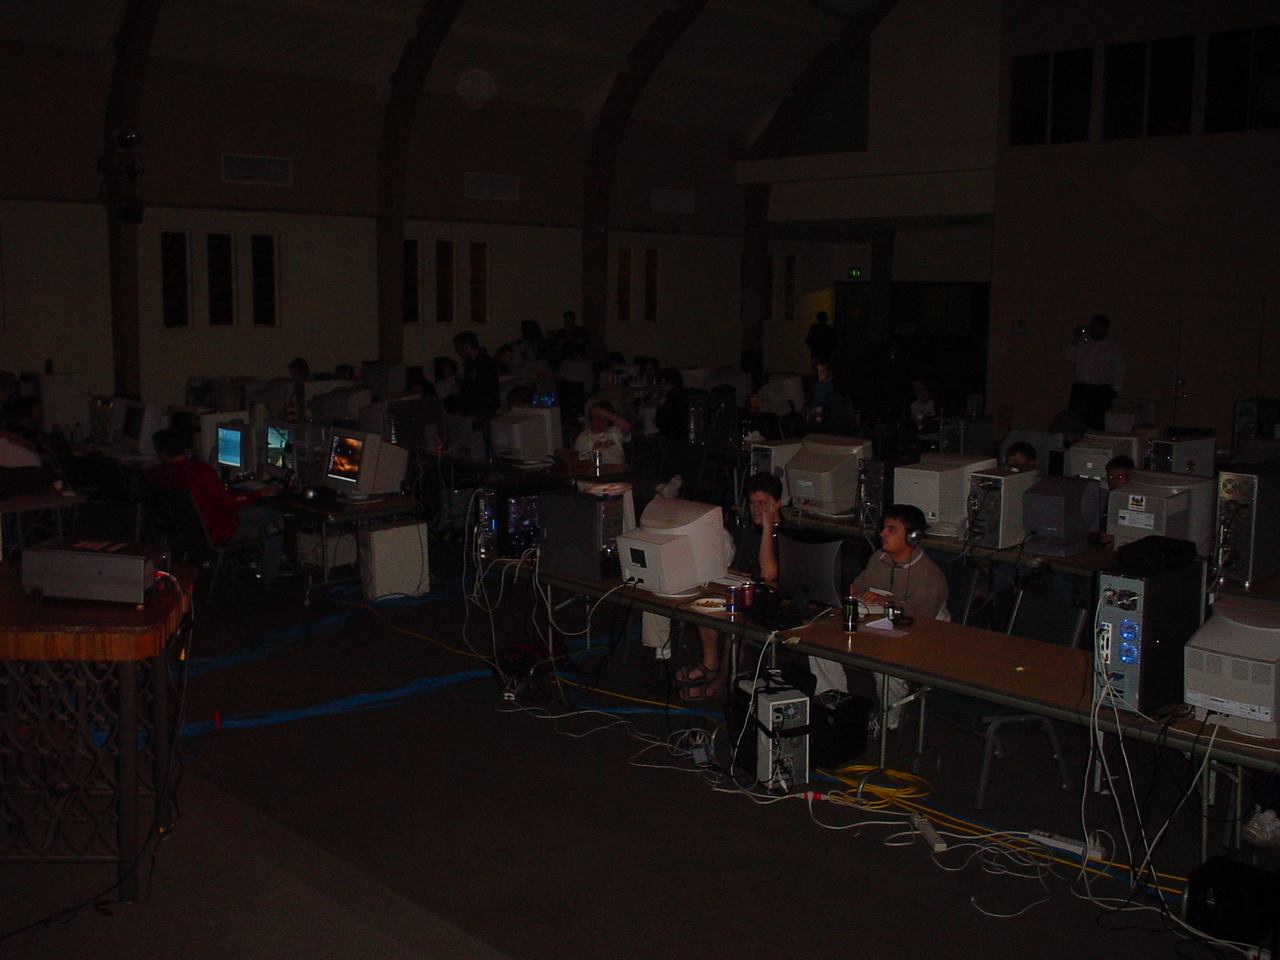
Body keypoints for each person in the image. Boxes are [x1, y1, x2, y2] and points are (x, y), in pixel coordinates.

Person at [675, 473, 783, 701]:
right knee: (704, 603)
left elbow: (767, 575)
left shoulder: (782, 533)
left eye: (763, 503)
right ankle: (710, 664)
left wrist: (767, 527)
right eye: (753, 503)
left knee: (735, 625)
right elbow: (738, 568)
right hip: (745, 590)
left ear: (777, 504)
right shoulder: (748, 530)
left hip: (773, 600)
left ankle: (720, 683)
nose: (757, 509)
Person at [851, 504, 949, 729]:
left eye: (891, 529)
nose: (882, 534)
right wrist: (854, 591)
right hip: (883, 626)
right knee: (821, 647)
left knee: (886, 663)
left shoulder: (928, 574)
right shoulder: (879, 558)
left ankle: (890, 722)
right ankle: (835, 703)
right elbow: (860, 584)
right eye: (883, 528)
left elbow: (921, 617)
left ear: (913, 536)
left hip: (924, 634)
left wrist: (887, 602)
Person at [147, 427, 286, 583]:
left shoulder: (155, 473)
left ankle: (252, 557)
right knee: (274, 514)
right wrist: (260, 493)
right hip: (218, 532)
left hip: (187, 533)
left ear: (162, 453)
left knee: (250, 513)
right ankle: (269, 575)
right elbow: (228, 503)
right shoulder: (201, 471)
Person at [1066, 314, 1125, 430]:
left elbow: (1119, 369)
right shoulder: (1083, 344)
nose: (1093, 329)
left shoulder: (1112, 348)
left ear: (1105, 329)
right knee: (1076, 421)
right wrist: (1076, 337)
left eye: (1097, 326)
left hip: (1100, 391)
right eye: (1092, 326)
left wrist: (1116, 390)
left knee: (1096, 422)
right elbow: (1069, 357)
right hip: (1080, 389)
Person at [452, 330, 500, 422]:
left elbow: (486, 391)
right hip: (474, 411)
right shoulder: (470, 364)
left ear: (467, 346)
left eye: (458, 348)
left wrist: (478, 414)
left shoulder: (485, 363)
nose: (457, 351)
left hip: (482, 413)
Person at [573, 401, 631, 465]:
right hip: (597, 467)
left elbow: (627, 426)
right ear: (591, 418)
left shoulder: (614, 431)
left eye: (604, 419)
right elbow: (578, 461)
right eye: (597, 418)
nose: (600, 422)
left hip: (618, 466)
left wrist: (602, 412)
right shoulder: (583, 438)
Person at [1095, 454, 1134, 547]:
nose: (1114, 482)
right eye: (1110, 477)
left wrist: (1118, 538)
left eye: (1119, 477)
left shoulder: (1138, 502)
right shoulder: (1107, 498)